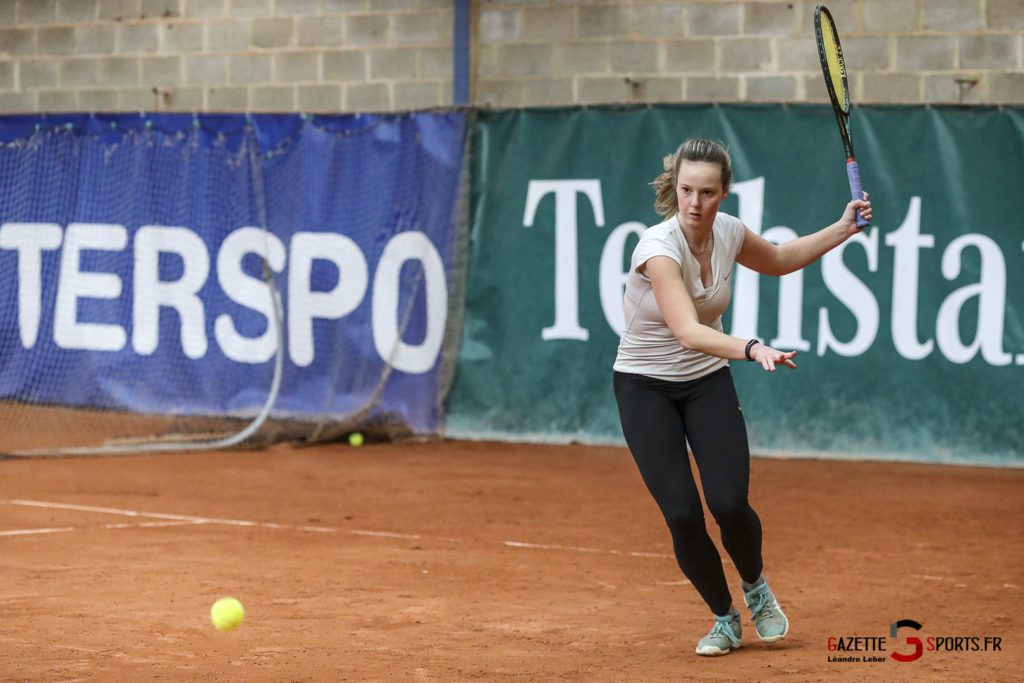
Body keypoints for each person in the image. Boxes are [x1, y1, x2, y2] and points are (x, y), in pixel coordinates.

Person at [612, 138, 871, 656]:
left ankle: (756, 588)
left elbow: (776, 258)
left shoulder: (726, 232)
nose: (694, 203)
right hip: (645, 388)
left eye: (707, 192)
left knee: (729, 503)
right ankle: (724, 618)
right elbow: (687, 330)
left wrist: (843, 229)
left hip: (706, 382)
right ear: (675, 188)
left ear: (723, 193)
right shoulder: (657, 249)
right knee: (683, 514)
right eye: (686, 190)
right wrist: (751, 347)